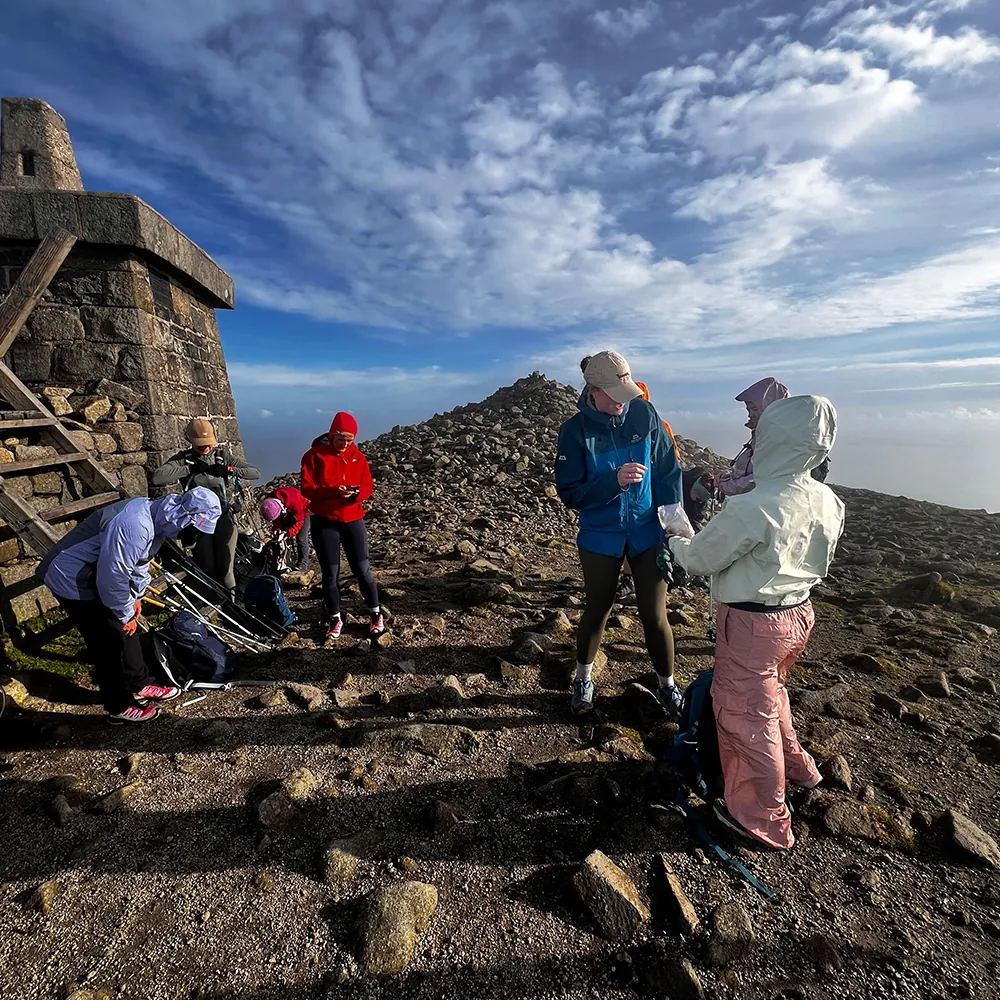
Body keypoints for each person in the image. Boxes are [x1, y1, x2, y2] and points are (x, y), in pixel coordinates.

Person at [666, 396, 845, 849]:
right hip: (799, 614)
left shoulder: (757, 504)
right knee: (770, 696)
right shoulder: (827, 499)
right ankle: (799, 768)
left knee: (744, 715)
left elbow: (703, 558)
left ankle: (761, 816)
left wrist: (676, 538)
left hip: (752, 624)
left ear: (772, 441)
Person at [556, 351, 684, 717]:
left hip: (647, 532)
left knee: (655, 615)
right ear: (592, 390)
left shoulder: (644, 413)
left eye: (624, 390)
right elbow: (570, 493)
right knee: (597, 609)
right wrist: (611, 483)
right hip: (600, 536)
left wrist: (673, 528)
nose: (620, 401)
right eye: (611, 393)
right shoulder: (574, 432)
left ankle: (667, 685)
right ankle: (583, 678)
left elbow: (667, 472)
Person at [36, 488, 222, 724]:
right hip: (69, 575)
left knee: (129, 630)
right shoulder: (134, 524)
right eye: (191, 529)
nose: (188, 536)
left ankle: (140, 683)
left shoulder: (156, 521)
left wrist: (136, 597)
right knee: (107, 639)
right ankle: (118, 706)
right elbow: (112, 577)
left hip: (91, 573)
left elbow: (140, 562)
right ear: (183, 516)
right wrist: (124, 614)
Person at [578, 357, 684, 603]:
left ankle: (632, 576)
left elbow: (667, 467)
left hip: (644, 511)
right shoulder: (584, 424)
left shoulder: (646, 416)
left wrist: (672, 525)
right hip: (611, 522)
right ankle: (630, 576)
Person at [300, 411, 384, 643]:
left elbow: (368, 486)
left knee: (362, 569)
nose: (345, 444)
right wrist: (333, 491)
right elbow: (307, 489)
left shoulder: (359, 457)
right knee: (330, 573)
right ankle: (335, 619)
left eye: (349, 440)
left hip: (353, 518)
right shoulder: (314, 456)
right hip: (325, 520)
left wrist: (357, 494)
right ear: (331, 434)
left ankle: (375, 614)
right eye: (340, 439)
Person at [151, 418, 260, 593]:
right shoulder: (184, 460)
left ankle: (235, 607)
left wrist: (228, 470)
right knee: (208, 567)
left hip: (224, 517)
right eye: (201, 444)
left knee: (226, 569)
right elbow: (158, 478)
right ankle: (217, 603)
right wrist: (189, 469)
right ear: (191, 441)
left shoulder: (222, 456)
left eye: (208, 443)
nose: (206, 448)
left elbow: (254, 473)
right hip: (199, 523)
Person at [716, 378, 790, 497]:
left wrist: (727, 485)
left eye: (754, 409)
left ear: (770, 408)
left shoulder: (777, 440)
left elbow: (760, 480)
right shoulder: (766, 435)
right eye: (749, 409)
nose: (750, 415)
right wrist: (728, 480)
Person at [260, 486, 311, 578]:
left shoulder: (294, 501)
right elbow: (276, 520)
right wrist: (276, 529)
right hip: (286, 513)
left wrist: (289, 533)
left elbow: (300, 521)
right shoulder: (270, 504)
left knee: (301, 539)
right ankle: (285, 564)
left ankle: (303, 566)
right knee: (280, 539)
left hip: (303, 512)